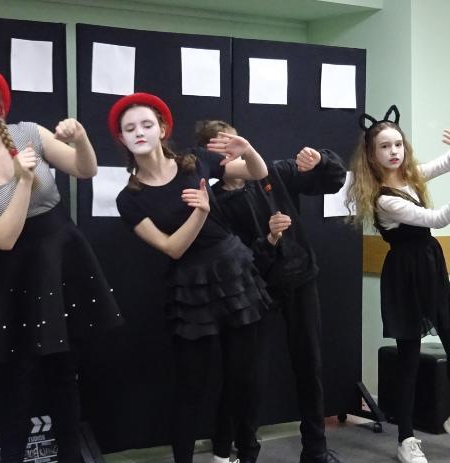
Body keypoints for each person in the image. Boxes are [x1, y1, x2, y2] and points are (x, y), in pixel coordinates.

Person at [0, 64, 122, 463]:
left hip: (60, 258)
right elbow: (2, 237)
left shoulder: (29, 133)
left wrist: (82, 138)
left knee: (64, 371)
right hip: (13, 271)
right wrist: (23, 180)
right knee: (17, 379)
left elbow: (85, 169)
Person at [110, 93, 270, 463]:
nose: (139, 132)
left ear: (162, 129)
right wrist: (200, 213)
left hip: (233, 273)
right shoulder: (129, 198)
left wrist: (248, 150)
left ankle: (229, 454)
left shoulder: (194, 162)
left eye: (147, 124)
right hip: (190, 286)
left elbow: (258, 173)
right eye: (130, 128)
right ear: (122, 138)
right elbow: (172, 248)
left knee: (242, 377)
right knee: (191, 385)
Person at [199, 120, 346, 463]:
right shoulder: (214, 201)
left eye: (234, 144)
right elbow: (232, 257)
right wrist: (268, 241)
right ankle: (242, 450)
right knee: (247, 373)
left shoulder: (274, 172)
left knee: (309, 364)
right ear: (209, 158)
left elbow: (333, 180)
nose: (230, 153)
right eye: (219, 150)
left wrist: (321, 161)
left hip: (300, 278)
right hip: (253, 291)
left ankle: (316, 450)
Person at [346, 105, 450, 463]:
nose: (394, 152)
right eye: (384, 147)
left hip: (431, 267)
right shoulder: (384, 198)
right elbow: (436, 219)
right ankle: (406, 438)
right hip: (404, 275)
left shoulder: (410, 177)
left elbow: (447, 162)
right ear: (372, 154)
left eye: (398, 144)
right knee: (408, 358)